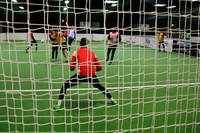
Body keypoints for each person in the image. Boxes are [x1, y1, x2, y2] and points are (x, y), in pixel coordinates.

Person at [54, 38, 118, 110]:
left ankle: (58, 105)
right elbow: (99, 67)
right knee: (100, 87)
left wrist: (73, 67)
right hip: (91, 75)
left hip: (81, 75)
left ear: (80, 44)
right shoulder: (92, 53)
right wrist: (94, 70)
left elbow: (71, 68)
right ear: (87, 45)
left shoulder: (76, 52)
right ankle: (113, 100)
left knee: (65, 85)